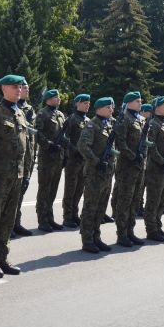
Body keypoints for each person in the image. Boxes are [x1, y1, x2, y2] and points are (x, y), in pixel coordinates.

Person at [0, 74, 32, 278]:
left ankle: (3, 257)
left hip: (17, 177)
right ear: (3, 88)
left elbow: (26, 148)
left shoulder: (20, 114)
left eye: (20, 86)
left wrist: (26, 174)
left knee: (8, 220)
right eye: (14, 86)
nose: (18, 89)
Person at [77, 97, 117, 253]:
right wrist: (96, 161)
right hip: (95, 173)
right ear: (99, 108)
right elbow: (82, 146)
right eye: (108, 107)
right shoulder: (92, 125)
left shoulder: (107, 124)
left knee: (100, 207)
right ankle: (87, 240)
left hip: (106, 173)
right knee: (90, 207)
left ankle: (96, 236)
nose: (111, 110)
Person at [113, 91, 147, 247]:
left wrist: (141, 156)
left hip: (139, 166)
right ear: (129, 103)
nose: (140, 103)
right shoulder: (124, 119)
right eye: (137, 101)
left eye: (140, 101)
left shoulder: (140, 119)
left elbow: (144, 142)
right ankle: (122, 234)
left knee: (135, 200)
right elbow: (121, 142)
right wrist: (132, 156)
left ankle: (130, 231)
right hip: (127, 166)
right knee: (124, 201)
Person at [35, 89, 67, 232]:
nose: (59, 99)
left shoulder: (60, 115)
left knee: (53, 190)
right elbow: (38, 134)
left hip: (58, 157)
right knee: (44, 189)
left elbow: (63, 136)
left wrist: (65, 153)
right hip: (47, 157)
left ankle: (50, 218)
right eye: (56, 97)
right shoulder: (42, 114)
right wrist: (49, 145)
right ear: (48, 99)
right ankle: (42, 220)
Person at [143, 96, 164, 242]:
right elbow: (151, 147)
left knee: (162, 200)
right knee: (153, 201)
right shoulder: (153, 124)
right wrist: (162, 161)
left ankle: (158, 225)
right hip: (156, 169)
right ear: (157, 108)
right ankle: (151, 229)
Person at [62, 93, 91, 228]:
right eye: (85, 103)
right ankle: (67, 216)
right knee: (70, 189)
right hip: (73, 160)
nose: (87, 105)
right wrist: (74, 150)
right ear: (77, 103)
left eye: (88, 103)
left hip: (84, 160)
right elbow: (64, 138)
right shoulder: (71, 119)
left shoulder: (88, 121)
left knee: (80, 188)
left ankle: (75, 214)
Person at [12, 78, 36, 237]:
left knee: (20, 194)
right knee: (10, 196)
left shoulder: (29, 109)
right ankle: (8, 225)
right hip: (14, 159)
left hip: (28, 156)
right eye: (22, 88)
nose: (25, 90)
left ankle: (16, 223)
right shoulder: (11, 108)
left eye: (26, 88)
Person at [135, 103, 153, 218]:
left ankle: (140, 206)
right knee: (139, 187)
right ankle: (138, 207)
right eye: (148, 112)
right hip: (139, 159)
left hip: (147, 160)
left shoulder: (148, 124)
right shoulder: (142, 123)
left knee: (142, 185)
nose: (150, 114)